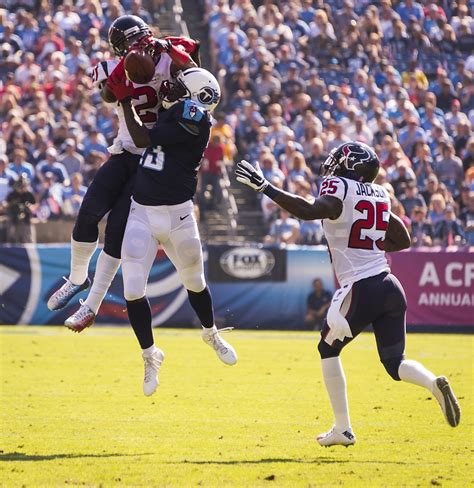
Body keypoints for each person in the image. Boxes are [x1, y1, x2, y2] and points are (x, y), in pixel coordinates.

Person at [236, 141, 460, 446]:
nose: (332, 164)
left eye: (339, 160)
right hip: (389, 285)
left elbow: (309, 211)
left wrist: (266, 187)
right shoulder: (380, 193)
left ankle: (343, 428)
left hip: (361, 287)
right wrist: (365, 245)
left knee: (327, 349)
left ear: (351, 166)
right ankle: (433, 382)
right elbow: (403, 239)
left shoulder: (338, 187)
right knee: (395, 362)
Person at [47, 15, 201, 332]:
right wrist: (122, 78)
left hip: (154, 159)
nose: (135, 48)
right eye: (130, 45)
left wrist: (176, 68)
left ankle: (90, 307)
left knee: (117, 230)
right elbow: (107, 94)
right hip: (125, 150)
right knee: (88, 213)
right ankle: (77, 277)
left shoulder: (174, 51)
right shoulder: (113, 69)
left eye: (138, 41)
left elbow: (199, 75)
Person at [106, 64, 237, 396]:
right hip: (143, 211)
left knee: (195, 281)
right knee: (133, 289)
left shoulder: (197, 118)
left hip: (178, 215)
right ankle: (150, 355)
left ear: (195, 97)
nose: (172, 88)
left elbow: (142, 136)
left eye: (181, 87)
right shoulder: (180, 110)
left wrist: (124, 101)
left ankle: (210, 333)